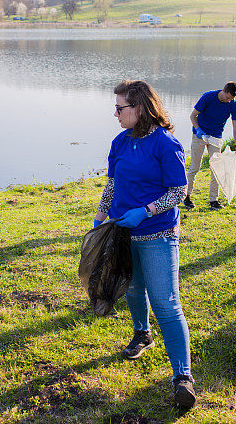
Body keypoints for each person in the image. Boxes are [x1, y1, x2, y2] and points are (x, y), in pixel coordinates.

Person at [94, 80, 195, 409]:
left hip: (158, 235)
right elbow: (112, 183)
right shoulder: (120, 142)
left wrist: (147, 211)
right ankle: (142, 334)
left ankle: (183, 377)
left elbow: (178, 192)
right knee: (133, 289)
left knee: (166, 304)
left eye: (120, 108)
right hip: (124, 233)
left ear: (140, 108)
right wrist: (100, 217)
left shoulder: (166, 144)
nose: (116, 113)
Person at [184, 81, 236, 210]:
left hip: (215, 138)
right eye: (227, 98)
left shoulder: (233, 104)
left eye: (231, 99)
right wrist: (198, 129)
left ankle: (213, 200)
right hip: (200, 135)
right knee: (194, 167)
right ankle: (186, 196)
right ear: (224, 90)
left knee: (216, 168)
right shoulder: (208, 97)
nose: (228, 101)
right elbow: (193, 115)